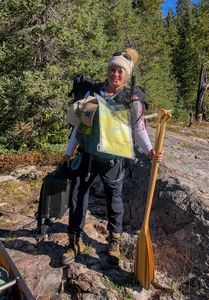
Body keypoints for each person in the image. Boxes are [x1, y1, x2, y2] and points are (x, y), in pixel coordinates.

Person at [61, 48, 163, 266]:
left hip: (113, 160)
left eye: (120, 71)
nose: (115, 74)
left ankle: (114, 241)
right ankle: (75, 240)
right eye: (112, 69)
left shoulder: (132, 99)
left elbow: (139, 129)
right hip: (87, 154)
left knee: (114, 200)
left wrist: (150, 151)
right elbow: (79, 125)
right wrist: (69, 152)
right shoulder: (93, 93)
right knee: (77, 197)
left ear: (126, 75)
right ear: (108, 70)